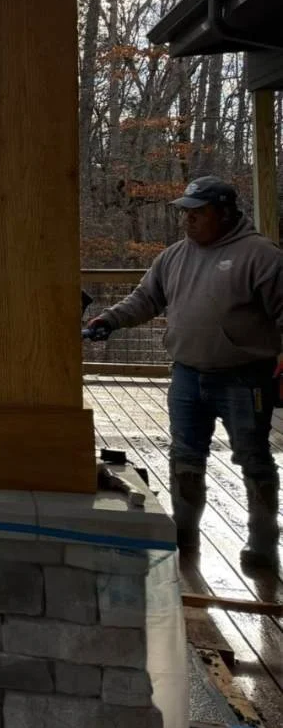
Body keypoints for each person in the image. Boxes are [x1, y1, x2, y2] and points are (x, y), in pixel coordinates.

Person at [87, 176, 283, 573]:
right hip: (188, 376)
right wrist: (110, 319)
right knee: (185, 457)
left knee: (253, 459)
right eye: (186, 213)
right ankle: (184, 533)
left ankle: (263, 543)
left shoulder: (261, 256)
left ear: (225, 213)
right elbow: (146, 298)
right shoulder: (175, 256)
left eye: (199, 213)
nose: (189, 221)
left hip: (244, 378)